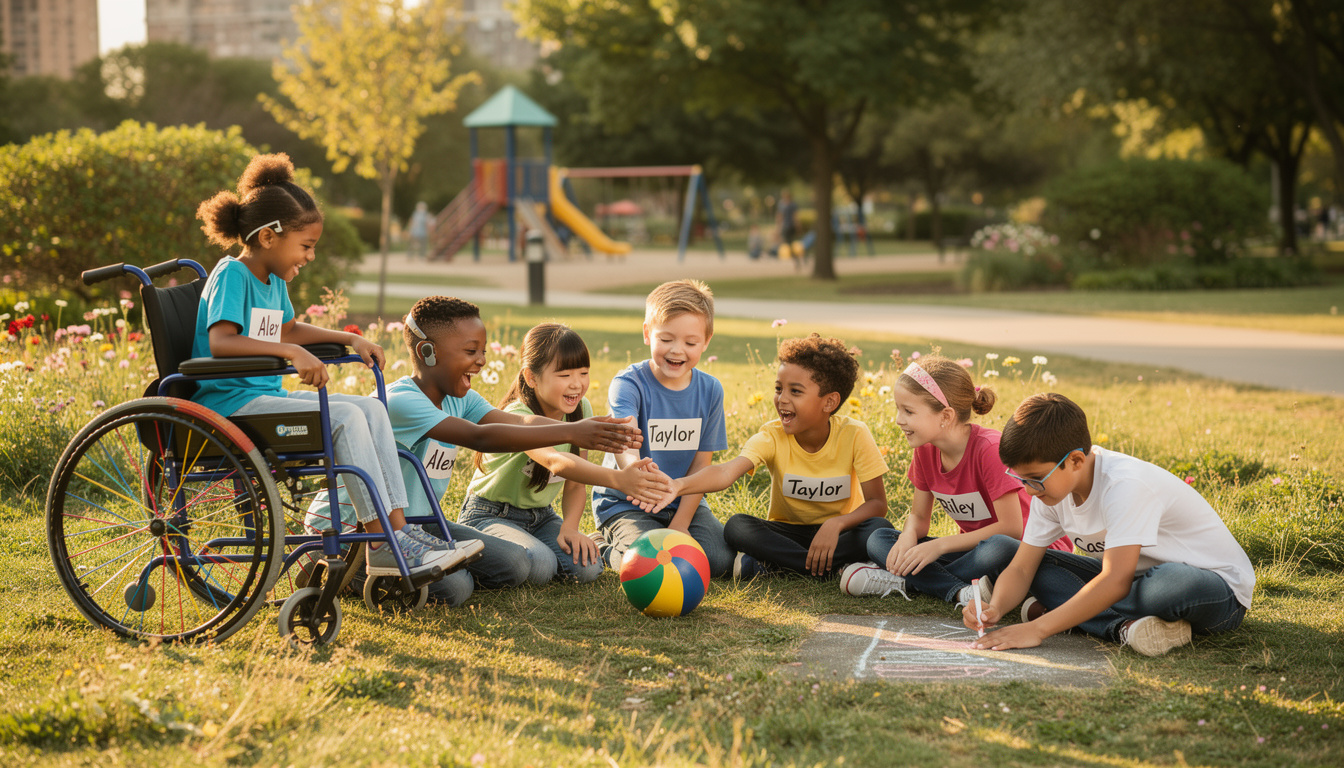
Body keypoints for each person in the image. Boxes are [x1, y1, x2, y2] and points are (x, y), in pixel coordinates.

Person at [194, 153, 463, 579]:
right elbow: (221, 341)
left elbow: (290, 329)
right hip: (231, 409)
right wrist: (292, 355)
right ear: (268, 237)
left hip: (263, 400)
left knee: (372, 409)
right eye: (305, 246)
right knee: (342, 418)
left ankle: (399, 532)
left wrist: (348, 338)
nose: (311, 256)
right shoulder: (232, 273)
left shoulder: (273, 282)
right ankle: (382, 543)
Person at [306, 296, 645, 605]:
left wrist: (582, 429)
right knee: (457, 589)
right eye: (471, 352)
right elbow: (481, 437)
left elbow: (516, 424)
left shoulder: (459, 398)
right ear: (427, 352)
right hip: (361, 532)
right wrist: (574, 431)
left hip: (420, 527)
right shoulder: (402, 401)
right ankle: (343, 574)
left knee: (511, 564)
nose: (481, 361)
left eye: (482, 351)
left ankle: (433, 568)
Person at [962, 392, 1255, 657]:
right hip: (1129, 581)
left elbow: (1115, 580)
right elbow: (1023, 567)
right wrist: (995, 608)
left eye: (1035, 479)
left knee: (1167, 585)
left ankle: (1064, 611)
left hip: (1214, 590)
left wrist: (1037, 629)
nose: (1028, 490)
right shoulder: (1050, 492)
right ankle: (1124, 627)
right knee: (1017, 557)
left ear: (1075, 460)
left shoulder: (1125, 485)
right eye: (1021, 479)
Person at [651, 334, 892, 579]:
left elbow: (877, 504)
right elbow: (726, 472)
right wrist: (679, 485)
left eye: (795, 391)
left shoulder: (854, 434)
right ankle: (829, 569)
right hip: (786, 534)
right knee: (737, 527)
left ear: (829, 402)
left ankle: (780, 566)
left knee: (878, 529)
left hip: (839, 533)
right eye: (779, 389)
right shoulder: (772, 436)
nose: (782, 399)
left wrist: (836, 524)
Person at [840, 356, 1070, 606]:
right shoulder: (925, 451)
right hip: (971, 555)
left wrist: (938, 547)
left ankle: (904, 581)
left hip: (1024, 551)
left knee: (997, 547)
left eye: (908, 411)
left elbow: (1011, 528)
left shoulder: (989, 450)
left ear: (946, 416)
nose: (898, 419)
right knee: (878, 539)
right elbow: (919, 518)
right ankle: (962, 592)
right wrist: (908, 536)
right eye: (898, 409)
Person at [461, 323, 671, 585]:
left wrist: (570, 528)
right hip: (490, 514)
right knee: (540, 565)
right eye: (564, 375)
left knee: (588, 568)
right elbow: (556, 462)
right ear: (531, 377)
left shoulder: (580, 408)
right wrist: (617, 479)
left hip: (541, 516)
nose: (577, 384)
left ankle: (539, 547)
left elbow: (574, 485)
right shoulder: (519, 415)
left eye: (583, 373)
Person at [591, 279, 734, 577]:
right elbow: (625, 445)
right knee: (652, 564)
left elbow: (701, 465)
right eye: (666, 339)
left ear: (706, 341)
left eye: (690, 343)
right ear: (647, 333)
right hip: (626, 502)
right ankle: (604, 547)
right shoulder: (627, 384)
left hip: (682, 500)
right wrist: (636, 477)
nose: (677, 351)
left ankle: (662, 532)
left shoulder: (710, 390)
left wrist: (681, 523)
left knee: (718, 561)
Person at [776, 190, 798, 260]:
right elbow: (780, 216)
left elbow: (795, 216)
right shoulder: (785, 205)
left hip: (789, 226)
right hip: (787, 225)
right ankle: (792, 254)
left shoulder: (786, 205)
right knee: (788, 240)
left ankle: (792, 254)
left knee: (788, 240)